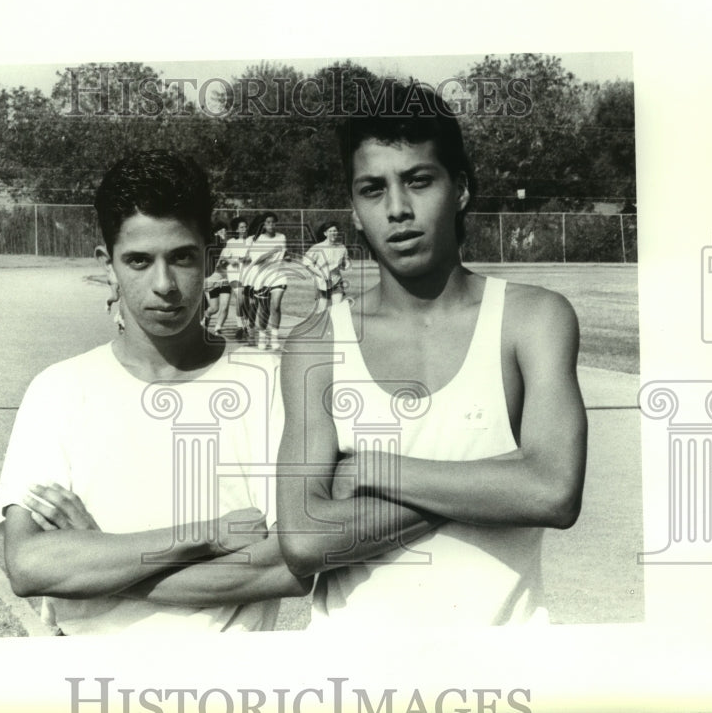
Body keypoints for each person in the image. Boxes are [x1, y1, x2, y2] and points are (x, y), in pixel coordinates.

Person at [276, 82, 588, 629]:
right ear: (352, 208)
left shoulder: (532, 320)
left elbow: (554, 492)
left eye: (418, 180)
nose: (397, 209)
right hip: (352, 679)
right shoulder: (316, 343)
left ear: (461, 188)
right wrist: (500, 482)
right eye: (373, 189)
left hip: (502, 678)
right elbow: (303, 540)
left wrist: (375, 469)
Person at [0, 150, 309, 635]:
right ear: (108, 264)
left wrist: (99, 557)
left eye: (181, 257)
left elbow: (287, 566)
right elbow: (31, 564)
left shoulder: (269, 384)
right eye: (138, 261)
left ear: (211, 258)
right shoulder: (58, 389)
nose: (164, 285)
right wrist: (204, 535)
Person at [243, 212, 289, 350]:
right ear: (263, 224)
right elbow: (256, 261)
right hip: (262, 278)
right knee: (264, 310)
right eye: (268, 222)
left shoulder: (282, 237)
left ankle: (274, 339)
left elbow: (283, 253)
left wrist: (285, 256)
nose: (271, 225)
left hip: (278, 276)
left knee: (275, 306)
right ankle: (262, 336)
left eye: (273, 222)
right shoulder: (258, 240)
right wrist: (271, 252)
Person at [304, 220, 351, 307]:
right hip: (322, 283)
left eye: (335, 231)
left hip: (336, 281)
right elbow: (307, 263)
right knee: (322, 310)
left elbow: (345, 262)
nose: (333, 233)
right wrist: (320, 274)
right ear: (325, 233)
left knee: (337, 308)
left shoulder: (342, 247)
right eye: (330, 231)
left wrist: (346, 264)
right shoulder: (317, 247)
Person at [220, 216, 252, 341]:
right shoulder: (231, 242)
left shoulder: (251, 241)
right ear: (237, 230)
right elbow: (225, 258)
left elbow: (254, 256)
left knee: (248, 302)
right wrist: (234, 260)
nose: (244, 229)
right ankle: (240, 326)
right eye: (241, 227)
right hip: (234, 273)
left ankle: (246, 326)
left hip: (248, 274)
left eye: (245, 227)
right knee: (240, 297)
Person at [202, 221, 232, 336]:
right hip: (211, 279)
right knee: (214, 308)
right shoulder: (214, 242)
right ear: (216, 232)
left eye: (225, 230)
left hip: (225, 279)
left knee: (224, 306)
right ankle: (206, 318)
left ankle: (218, 328)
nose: (224, 232)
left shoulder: (226, 244)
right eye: (221, 230)